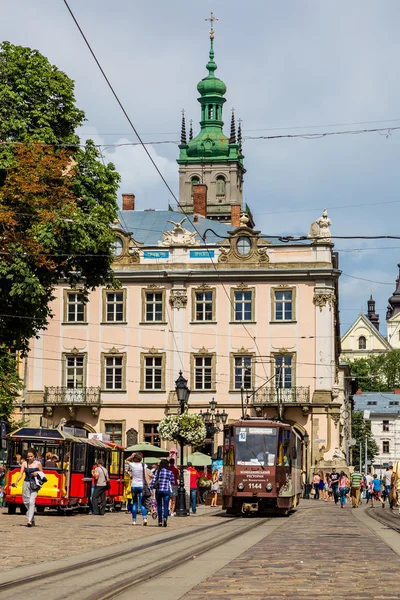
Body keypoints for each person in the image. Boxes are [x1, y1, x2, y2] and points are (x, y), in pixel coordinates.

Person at [12, 447, 43, 527]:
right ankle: (32, 519)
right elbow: (21, 474)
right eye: (28, 456)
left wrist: (37, 474)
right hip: (26, 483)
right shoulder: (24, 463)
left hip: (35, 485)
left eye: (31, 456)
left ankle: (29, 520)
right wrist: (16, 481)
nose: (29, 458)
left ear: (34, 456)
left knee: (32, 502)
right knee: (26, 502)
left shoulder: (38, 463)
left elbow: (42, 474)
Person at [126, 453, 150, 526]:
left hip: (134, 486)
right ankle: (145, 518)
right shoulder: (143, 465)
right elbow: (146, 476)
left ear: (134, 458)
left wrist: (132, 455)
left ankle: (134, 520)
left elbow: (126, 460)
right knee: (142, 503)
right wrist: (148, 485)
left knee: (135, 503)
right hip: (141, 486)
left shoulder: (132, 465)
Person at [151, 459, 175, 527]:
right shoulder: (170, 472)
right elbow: (173, 481)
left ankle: (160, 521)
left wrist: (151, 488)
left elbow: (153, 480)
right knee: (166, 505)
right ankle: (165, 518)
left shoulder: (158, 471)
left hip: (159, 490)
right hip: (166, 490)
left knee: (159, 506)